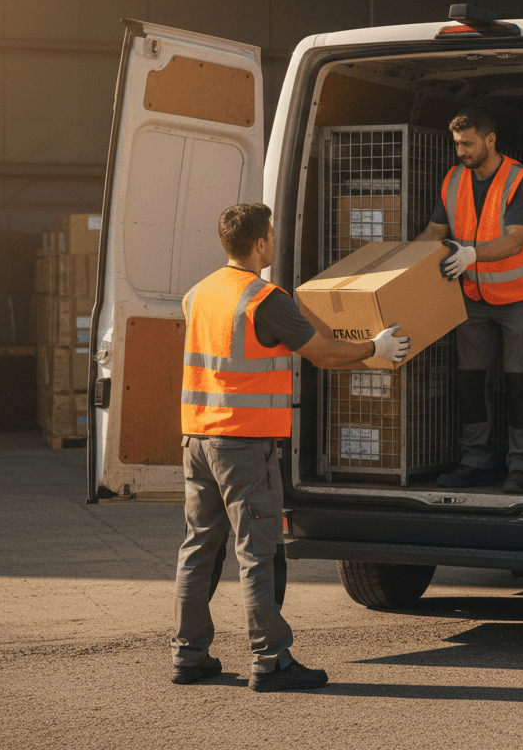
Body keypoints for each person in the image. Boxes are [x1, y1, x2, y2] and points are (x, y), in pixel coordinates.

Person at [173, 203, 409, 692]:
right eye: (272, 236)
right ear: (260, 244)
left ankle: (188, 654)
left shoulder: (199, 293)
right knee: (257, 552)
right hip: (242, 443)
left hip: (197, 439)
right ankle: (272, 660)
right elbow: (321, 353)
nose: (274, 242)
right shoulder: (264, 298)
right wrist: (374, 348)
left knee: (199, 547)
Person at [415, 107, 523, 495]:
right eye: (457, 144)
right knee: (471, 381)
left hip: (520, 297)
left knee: (520, 382)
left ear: (490, 140)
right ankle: (476, 460)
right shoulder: (454, 179)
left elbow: (514, 240)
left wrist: (470, 254)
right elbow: (434, 231)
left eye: (468, 143)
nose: (461, 151)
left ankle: (522, 466)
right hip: (473, 295)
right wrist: (403, 261)